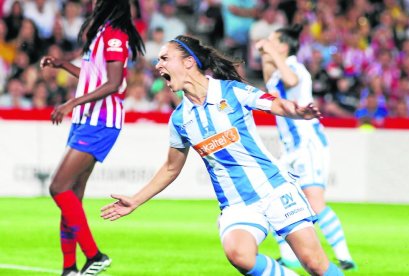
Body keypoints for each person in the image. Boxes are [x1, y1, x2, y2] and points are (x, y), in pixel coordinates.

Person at [101, 35, 343, 276]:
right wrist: (136, 200)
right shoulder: (179, 119)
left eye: (165, 58)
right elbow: (171, 168)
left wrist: (297, 111)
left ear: (188, 62)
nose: (158, 65)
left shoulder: (232, 91)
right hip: (237, 204)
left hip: (275, 189)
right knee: (240, 255)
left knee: (315, 264)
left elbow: (276, 104)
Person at [39, 0, 145, 275]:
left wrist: (70, 103)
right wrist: (63, 65)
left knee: (58, 187)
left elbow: (112, 83)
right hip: (87, 120)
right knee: (71, 194)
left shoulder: (114, 35)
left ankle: (94, 255)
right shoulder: (103, 32)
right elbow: (93, 76)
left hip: (100, 122)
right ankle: (69, 268)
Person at [256, 24, 357, 270]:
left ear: (284, 46)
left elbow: (291, 81)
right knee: (279, 198)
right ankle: (289, 258)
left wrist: (273, 52)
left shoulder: (294, 66)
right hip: (290, 147)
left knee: (314, 201)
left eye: (272, 40)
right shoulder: (279, 69)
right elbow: (271, 78)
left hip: (307, 143)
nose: (267, 43)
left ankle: (344, 258)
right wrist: (265, 53)